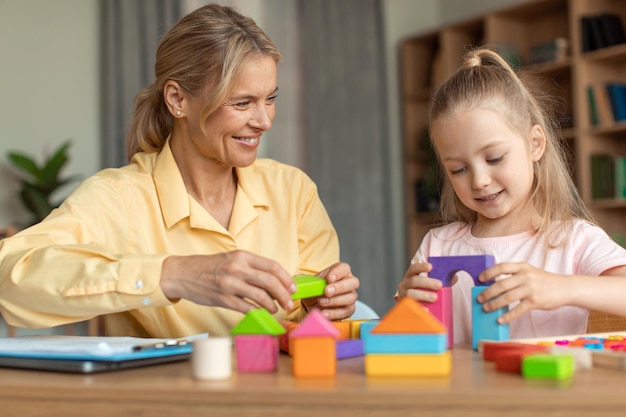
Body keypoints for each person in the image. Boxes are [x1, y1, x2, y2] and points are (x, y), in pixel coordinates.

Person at [0, 4, 359, 338]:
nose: (264, 121)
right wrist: (174, 274)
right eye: (243, 102)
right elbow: (11, 278)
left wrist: (325, 306)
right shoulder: (120, 199)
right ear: (177, 100)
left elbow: (318, 329)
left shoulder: (293, 191)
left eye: (270, 99)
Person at [396, 47, 626, 344]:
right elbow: (409, 335)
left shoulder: (573, 240)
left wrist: (562, 288)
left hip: (544, 389)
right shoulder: (437, 246)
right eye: (458, 169)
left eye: (494, 159)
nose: (479, 180)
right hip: (462, 391)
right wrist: (405, 303)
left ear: (535, 144)